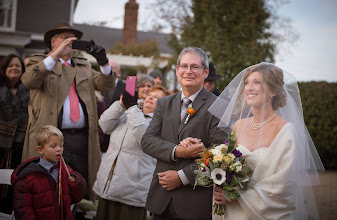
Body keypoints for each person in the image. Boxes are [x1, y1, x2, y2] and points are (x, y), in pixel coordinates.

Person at [208, 62, 325, 219]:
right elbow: (225, 165)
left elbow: (284, 186)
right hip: (232, 214)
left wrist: (238, 198)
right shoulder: (238, 125)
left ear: (273, 91)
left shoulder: (285, 130)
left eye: (257, 82)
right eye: (247, 83)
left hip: (263, 213)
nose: (248, 88)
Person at [20, 22, 115, 200]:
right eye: (65, 38)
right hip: (51, 139)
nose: (70, 42)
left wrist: (103, 62)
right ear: (53, 42)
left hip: (80, 139)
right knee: (46, 188)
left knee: (78, 188)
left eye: (73, 39)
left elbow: (106, 84)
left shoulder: (83, 66)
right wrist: (56, 55)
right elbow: (29, 80)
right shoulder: (39, 62)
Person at [141, 47, 226, 220]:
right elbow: (148, 141)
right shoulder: (164, 103)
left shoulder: (219, 106)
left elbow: (221, 154)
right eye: (184, 66)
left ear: (205, 72)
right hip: (161, 200)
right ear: (177, 70)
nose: (188, 71)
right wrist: (177, 151)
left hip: (195, 203)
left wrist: (182, 177)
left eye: (194, 67)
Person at [94, 85, 170, 220]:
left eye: (157, 97)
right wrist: (121, 104)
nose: (151, 97)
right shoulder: (130, 112)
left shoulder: (163, 124)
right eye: (150, 94)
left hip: (132, 192)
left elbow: (144, 137)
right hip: (109, 186)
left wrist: (131, 108)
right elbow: (104, 124)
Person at [11, 125, 87, 220]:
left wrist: (76, 182)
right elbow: (23, 211)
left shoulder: (65, 170)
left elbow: (76, 198)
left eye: (61, 145)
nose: (59, 149)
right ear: (40, 150)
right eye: (53, 146)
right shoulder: (27, 178)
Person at [0, 54, 29, 214]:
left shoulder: (28, 90)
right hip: (0, 145)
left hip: (19, 145)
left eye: (18, 65)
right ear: (4, 69)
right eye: (10, 65)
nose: (14, 68)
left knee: (13, 185)